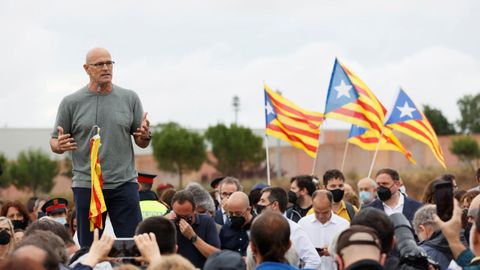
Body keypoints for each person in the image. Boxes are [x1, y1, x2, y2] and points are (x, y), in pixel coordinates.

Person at [49, 47, 150, 247]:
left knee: (133, 244)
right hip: (87, 184)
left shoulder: (129, 98)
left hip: (124, 183)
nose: (106, 68)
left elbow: (142, 142)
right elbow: (54, 141)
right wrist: (59, 145)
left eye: (109, 63)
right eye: (99, 64)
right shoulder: (71, 102)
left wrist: (145, 136)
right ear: (87, 69)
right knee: (90, 247)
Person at [254, 187, 321, 269]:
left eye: (263, 201)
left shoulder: (294, 230)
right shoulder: (257, 227)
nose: (259, 204)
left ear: (275, 205)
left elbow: (314, 261)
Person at [165, 190, 220, 268]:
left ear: (194, 210)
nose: (182, 220)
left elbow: (216, 256)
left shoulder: (206, 222)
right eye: (178, 216)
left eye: (187, 217)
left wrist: (193, 237)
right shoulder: (170, 224)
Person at [298, 190, 349, 270]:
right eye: (317, 212)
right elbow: (297, 252)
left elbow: (348, 252)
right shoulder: (303, 224)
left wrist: (332, 252)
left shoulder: (343, 225)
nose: (321, 216)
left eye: (325, 212)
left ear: (331, 206)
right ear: (312, 205)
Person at [413, 204, 464, 269]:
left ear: (422, 229)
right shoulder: (467, 247)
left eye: (418, 235)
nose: (420, 241)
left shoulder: (420, 255)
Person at [219, 191, 255, 256]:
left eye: (238, 214)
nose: (234, 216)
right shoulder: (225, 229)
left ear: (249, 209)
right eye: (231, 213)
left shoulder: (259, 227)